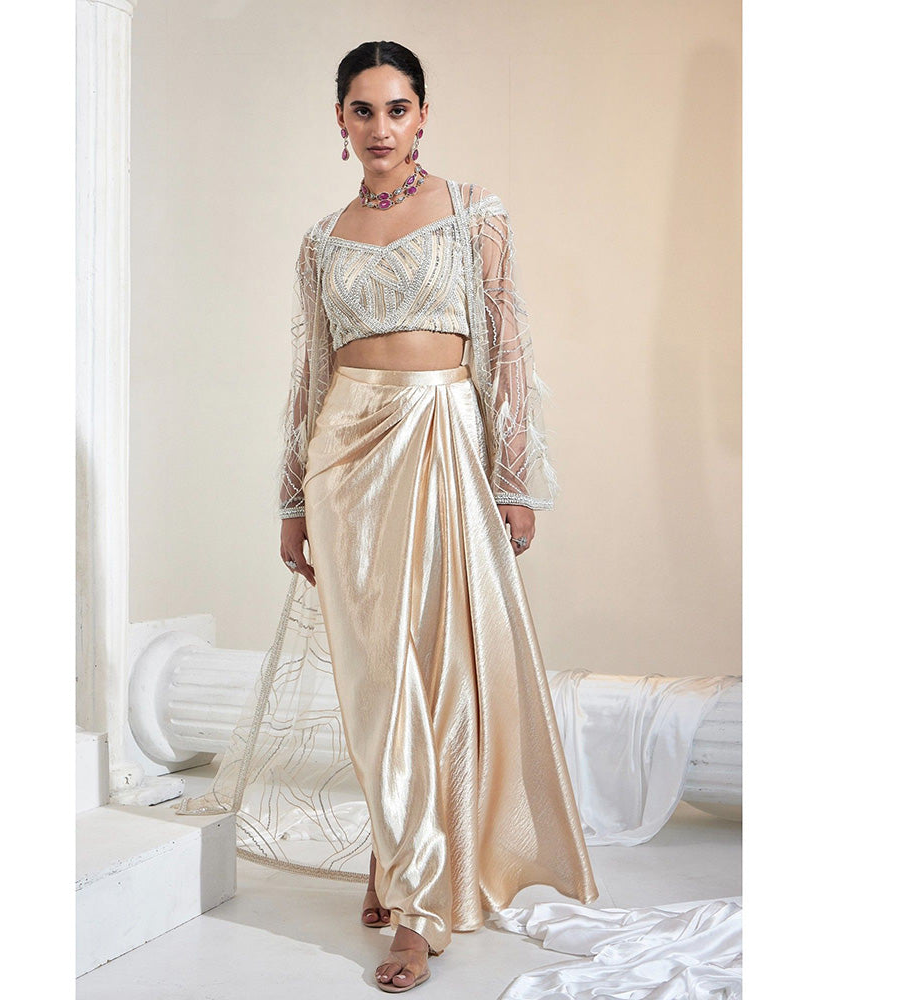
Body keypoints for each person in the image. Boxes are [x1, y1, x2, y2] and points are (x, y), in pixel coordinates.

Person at [178, 40, 598, 995]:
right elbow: (310, 371)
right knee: (377, 681)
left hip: (443, 442)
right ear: (340, 120)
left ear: (422, 116)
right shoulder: (321, 241)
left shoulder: (472, 213)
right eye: (362, 110)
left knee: (442, 671)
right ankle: (406, 875)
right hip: (345, 458)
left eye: (397, 109)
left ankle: (409, 893)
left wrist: (514, 477)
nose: (380, 128)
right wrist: (294, 497)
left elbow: (508, 344)